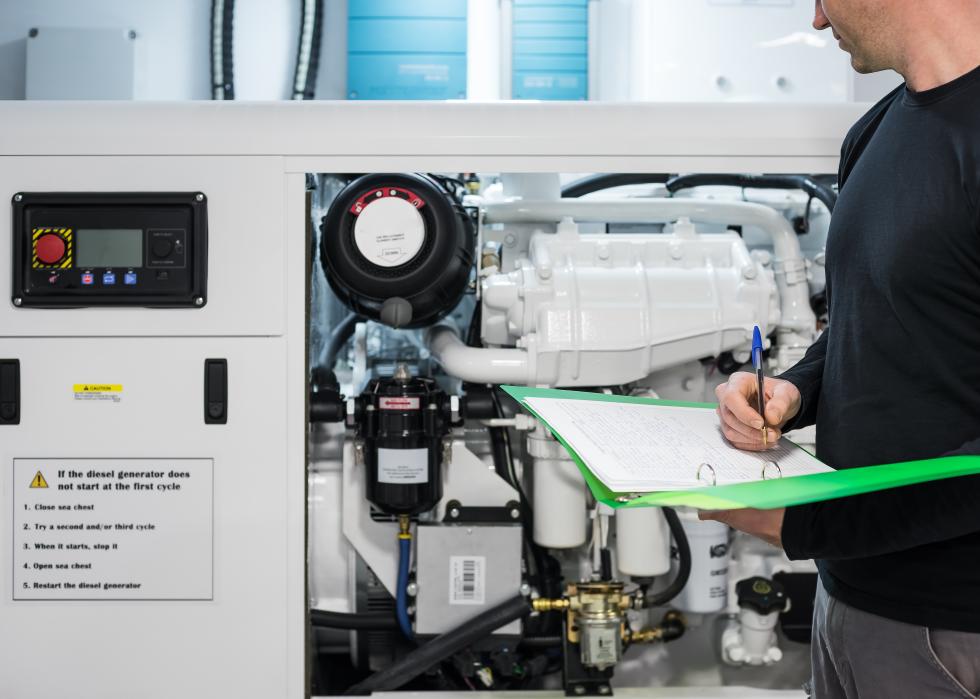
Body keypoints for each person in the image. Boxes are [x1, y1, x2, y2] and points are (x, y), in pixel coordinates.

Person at [706, 1, 980, 697]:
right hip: (850, 596)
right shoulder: (878, 130)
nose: (819, 19)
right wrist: (793, 390)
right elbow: (879, 319)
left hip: (953, 625)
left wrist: (804, 521)